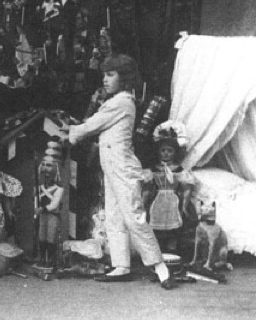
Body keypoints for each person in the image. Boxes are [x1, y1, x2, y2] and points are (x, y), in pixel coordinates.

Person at [68, 54, 176, 289]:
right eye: (104, 74)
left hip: (124, 169)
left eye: (110, 74)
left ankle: (160, 267)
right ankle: (121, 265)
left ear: (123, 78)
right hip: (112, 167)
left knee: (133, 217)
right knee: (114, 216)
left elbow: (91, 125)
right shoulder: (117, 100)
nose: (105, 80)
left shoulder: (122, 102)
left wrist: (71, 132)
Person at [142, 120, 195, 253]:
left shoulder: (178, 169)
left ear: (175, 153)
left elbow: (187, 187)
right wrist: (143, 202)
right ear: (159, 152)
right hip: (157, 199)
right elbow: (147, 188)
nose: (166, 153)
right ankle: (157, 249)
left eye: (170, 151)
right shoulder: (154, 168)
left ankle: (172, 248)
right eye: (163, 150)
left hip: (173, 199)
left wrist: (185, 203)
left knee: (176, 222)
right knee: (154, 221)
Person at [34, 139, 65, 268]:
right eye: (44, 165)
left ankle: (51, 260)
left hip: (52, 216)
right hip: (42, 216)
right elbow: (36, 201)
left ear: (56, 168)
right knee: (41, 238)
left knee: (51, 238)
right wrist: (36, 210)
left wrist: (42, 209)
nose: (46, 169)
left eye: (50, 165)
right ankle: (42, 258)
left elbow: (54, 205)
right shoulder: (39, 187)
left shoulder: (59, 189)